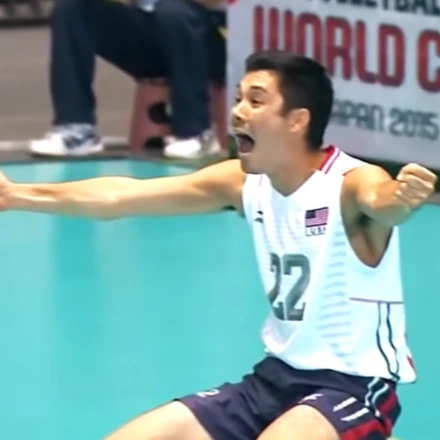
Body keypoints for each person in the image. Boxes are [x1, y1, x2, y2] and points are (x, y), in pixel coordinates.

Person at [1, 51, 436, 439]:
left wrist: (402, 198)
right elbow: (119, 196)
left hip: (352, 386)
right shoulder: (243, 183)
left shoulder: (350, 183)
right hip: (273, 382)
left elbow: (383, 204)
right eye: (239, 98)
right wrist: (17, 195)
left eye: (256, 101)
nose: (238, 111)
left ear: (297, 120)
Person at [28, 0, 226, 159]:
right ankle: (77, 131)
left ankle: (197, 132)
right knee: (72, 7)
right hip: (155, 35)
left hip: (215, 39)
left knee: (173, 11)